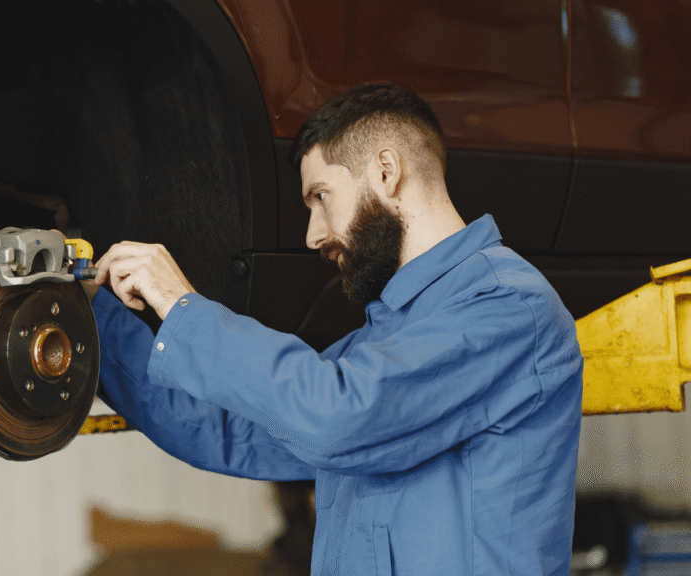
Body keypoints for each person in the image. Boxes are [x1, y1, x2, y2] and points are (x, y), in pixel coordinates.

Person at [83, 82, 583, 575]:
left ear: (386, 172)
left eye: (321, 197)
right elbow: (224, 430)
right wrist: (93, 316)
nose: (312, 235)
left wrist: (182, 305)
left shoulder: (509, 308)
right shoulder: (382, 344)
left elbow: (339, 415)